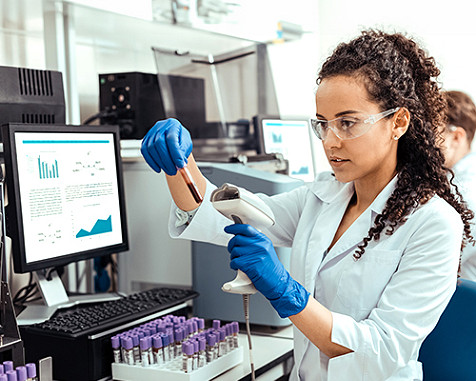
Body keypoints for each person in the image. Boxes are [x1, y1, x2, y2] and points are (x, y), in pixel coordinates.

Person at [140, 30, 473, 380]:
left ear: (399, 122)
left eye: (347, 123)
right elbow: (217, 212)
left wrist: (286, 292)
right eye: (323, 124)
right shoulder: (322, 197)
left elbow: (381, 351)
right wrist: (179, 164)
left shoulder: (434, 224)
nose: (330, 142)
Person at [441, 90, 476, 280]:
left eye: (432, 133)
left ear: (456, 137)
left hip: (463, 304)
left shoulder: (467, 195)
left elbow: (439, 260)